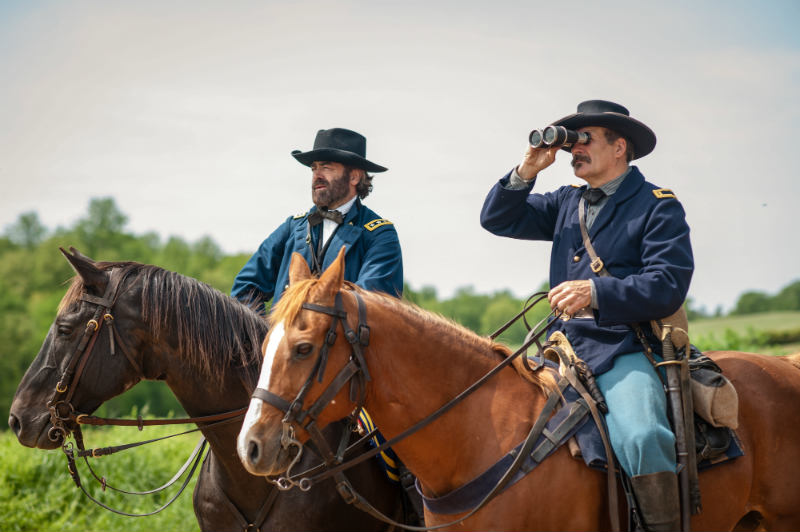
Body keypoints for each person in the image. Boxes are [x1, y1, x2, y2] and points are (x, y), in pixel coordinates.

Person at [480, 100, 693, 531]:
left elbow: (668, 284)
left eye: (585, 139)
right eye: (572, 140)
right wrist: (527, 169)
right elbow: (496, 218)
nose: (574, 148)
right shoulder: (565, 202)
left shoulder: (656, 205)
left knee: (642, 436)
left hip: (623, 345)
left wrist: (595, 292)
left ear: (620, 147)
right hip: (559, 348)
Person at [232, 127, 403, 311]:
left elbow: (372, 305)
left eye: (326, 167)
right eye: (314, 168)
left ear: (354, 176)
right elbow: (245, 288)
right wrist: (268, 335)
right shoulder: (293, 226)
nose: (317, 175)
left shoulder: (380, 234)